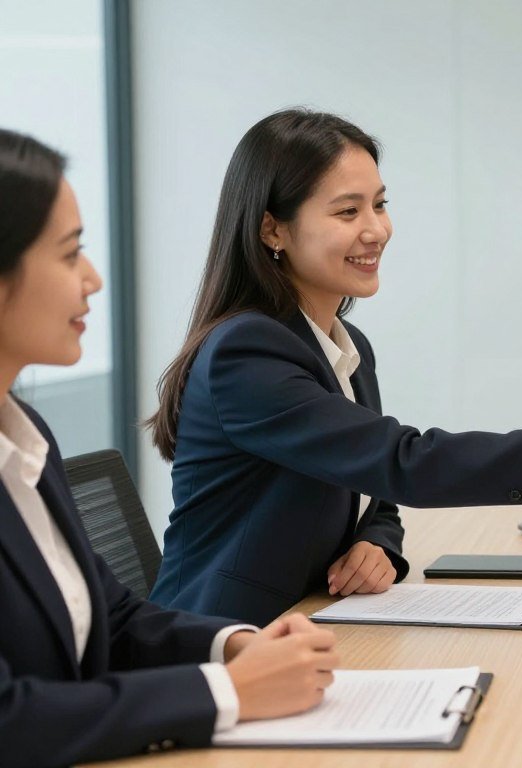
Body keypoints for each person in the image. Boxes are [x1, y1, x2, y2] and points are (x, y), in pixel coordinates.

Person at [146, 109, 522, 625]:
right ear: (273, 228)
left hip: (309, 624)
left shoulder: (344, 348)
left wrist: (378, 545)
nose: (376, 230)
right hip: (221, 643)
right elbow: (407, 464)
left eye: (379, 204)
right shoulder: (246, 354)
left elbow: (376, 495)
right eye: (347, 211)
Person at [0, 128, 341, 765]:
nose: (94, 279)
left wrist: (238, 647)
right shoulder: (249, 345)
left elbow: (112, 615)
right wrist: (225, 692)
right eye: (71, 254)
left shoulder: (24, 436)